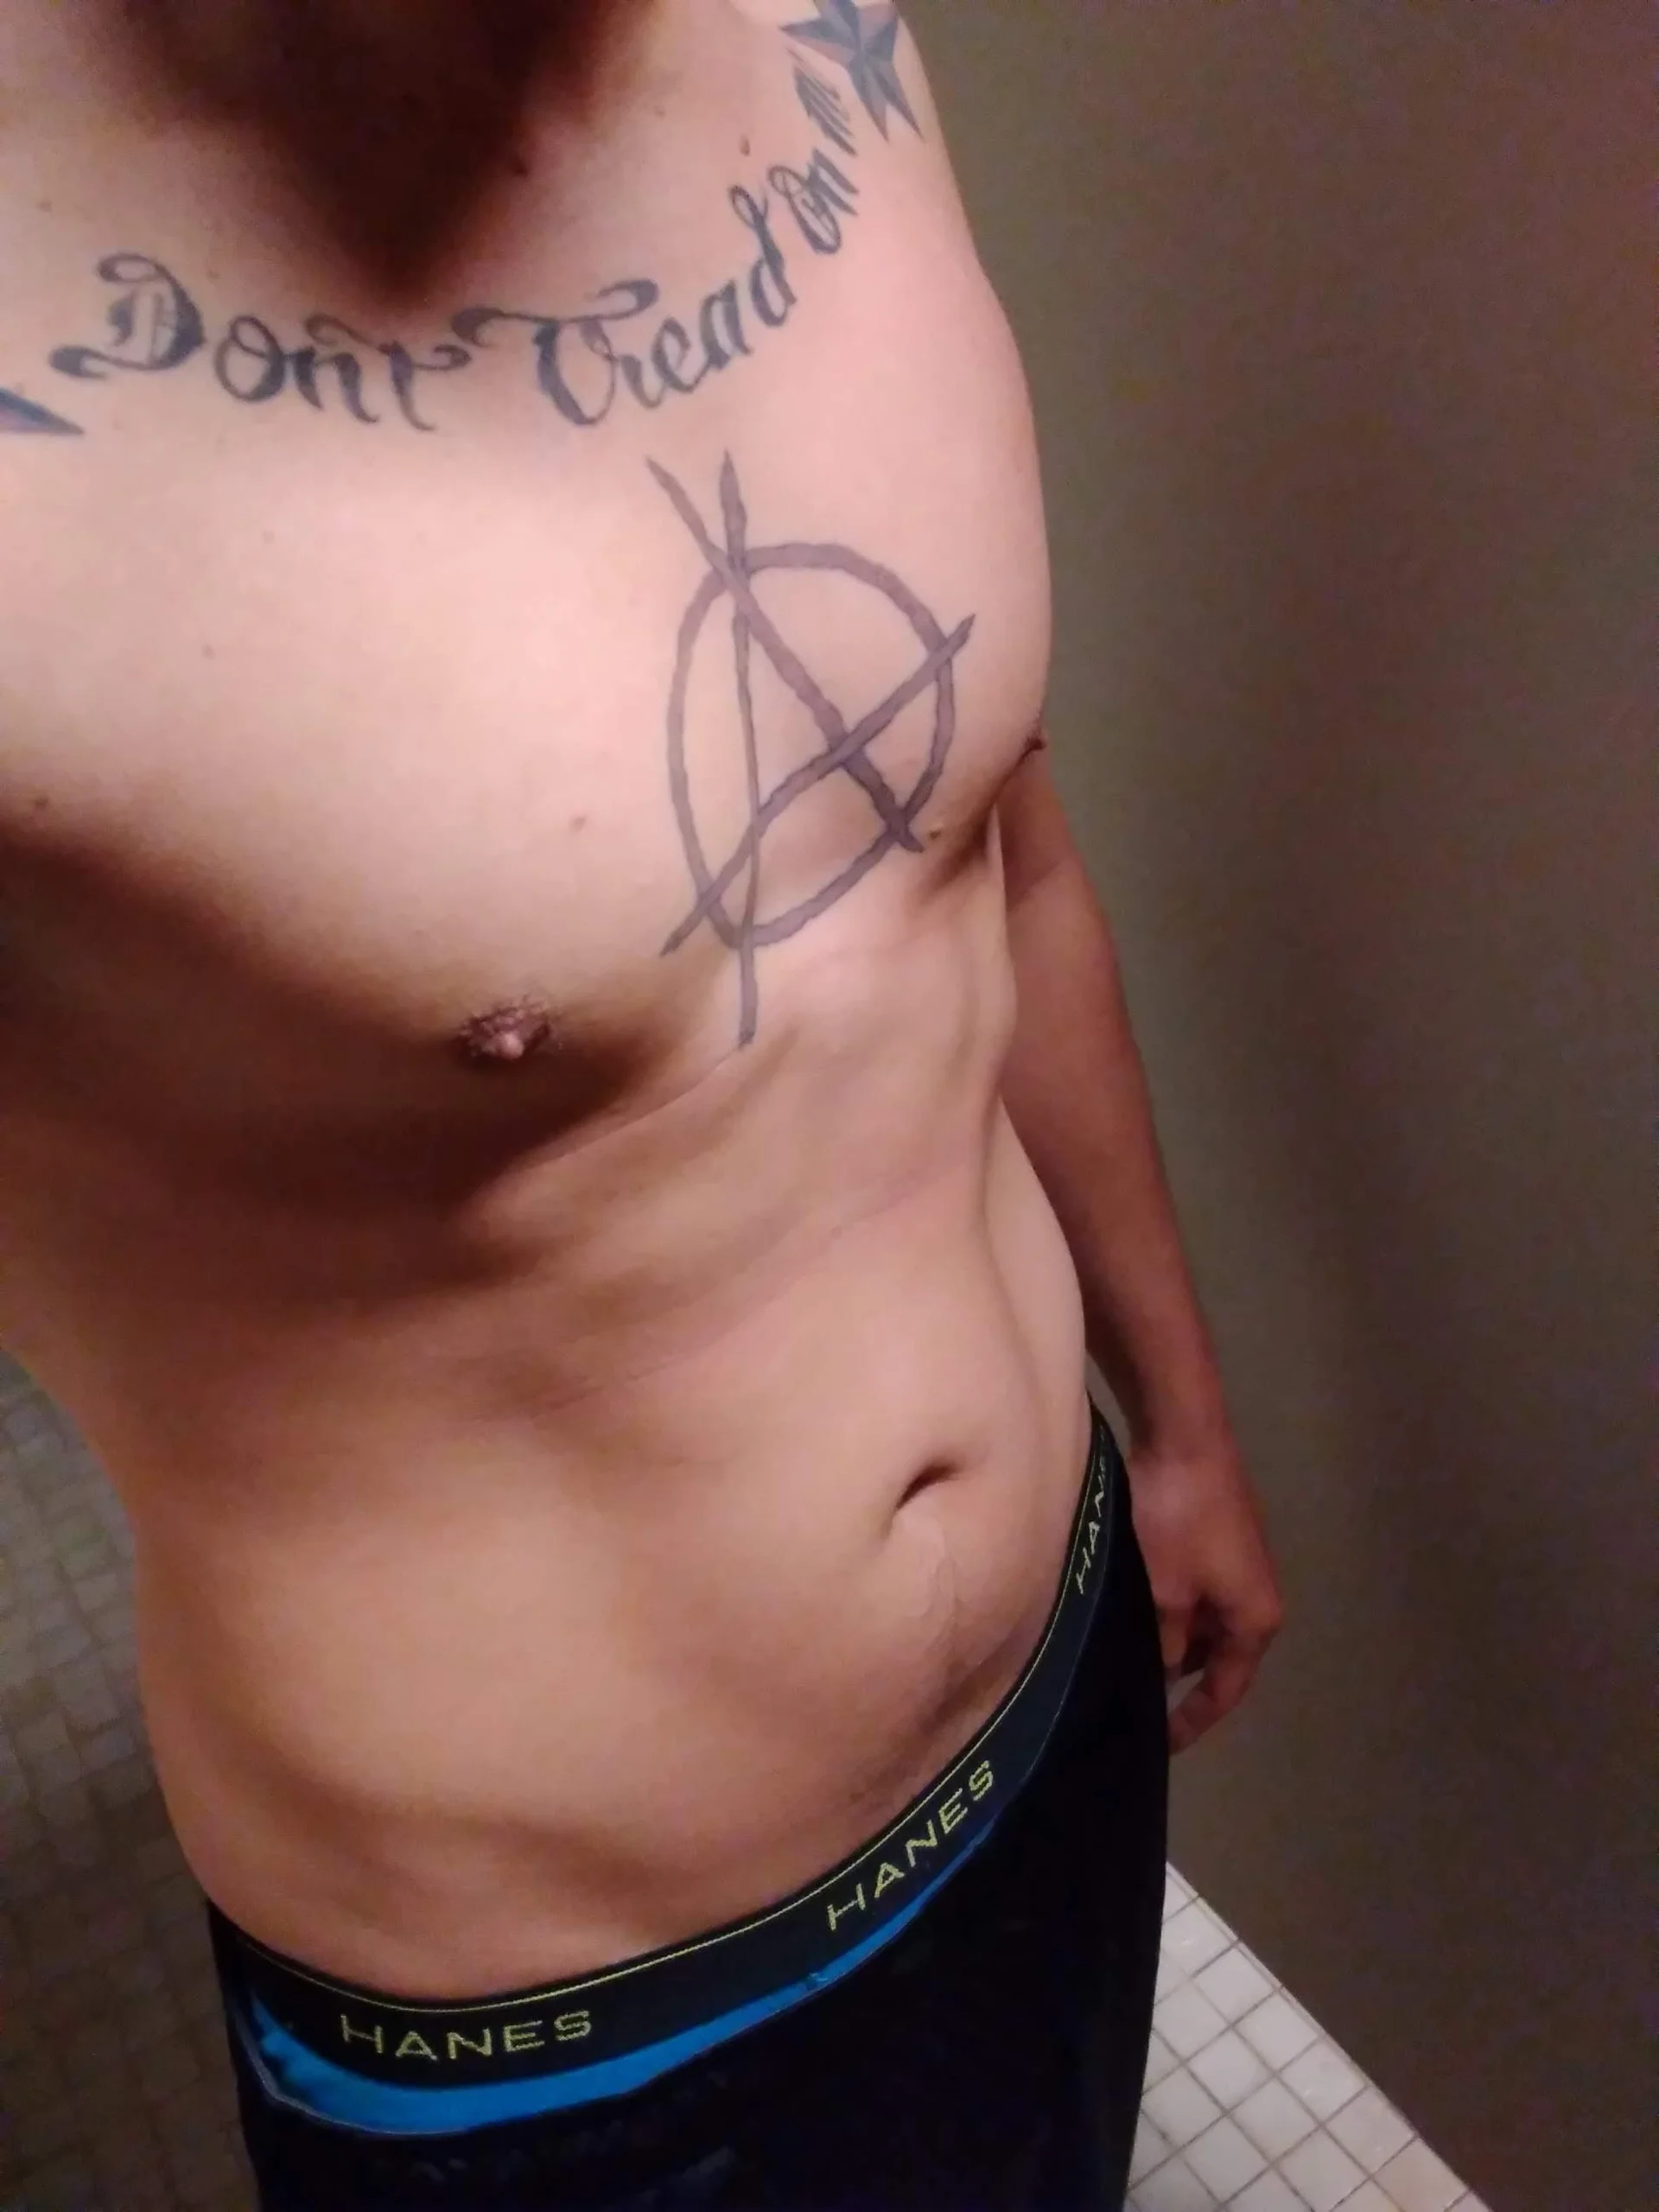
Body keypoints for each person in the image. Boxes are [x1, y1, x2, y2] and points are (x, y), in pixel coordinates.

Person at [0, 2, 1282, 2204]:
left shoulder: (830, 38)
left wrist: (1177, 1417)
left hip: (1060, 1706)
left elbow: (991, 845)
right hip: (576, 2035)